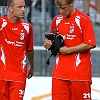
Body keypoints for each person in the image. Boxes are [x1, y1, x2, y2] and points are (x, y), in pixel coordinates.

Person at [44, 0, 96, 100]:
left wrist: (68, 50)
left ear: (71, 3)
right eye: (59, 8)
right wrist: (48, 43)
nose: (61, 11)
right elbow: (53, 39)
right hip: (60, 74)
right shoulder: (57, 20)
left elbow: (90, 43)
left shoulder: (83, 19)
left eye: (63, 8)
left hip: (80, 74)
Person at [0, 0, 34, 100]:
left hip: (18, 75)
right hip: (1, 74)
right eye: (19, 7)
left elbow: (29, 49)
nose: (23, 10)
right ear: (10, 8)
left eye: (24, 7)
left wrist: (31, 66)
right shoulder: (1, 23)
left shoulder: (27, 27)